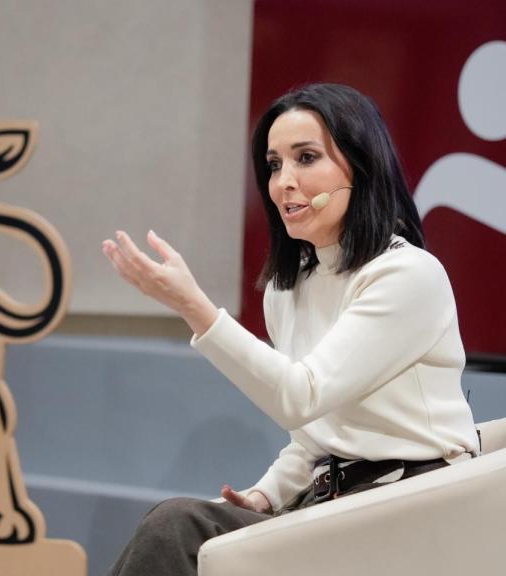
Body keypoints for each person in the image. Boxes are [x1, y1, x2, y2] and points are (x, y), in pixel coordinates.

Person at [101, 83, 479, 576]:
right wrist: (265, 495)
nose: (284, 181)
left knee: (176, 528)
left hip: (409, 508)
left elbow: (302, 395)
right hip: (334, 504)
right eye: (275, 164)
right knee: (179, 527)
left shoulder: (408, 276)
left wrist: (193, 306)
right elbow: (313, 437)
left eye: (306, 158)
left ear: (360, 168)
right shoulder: (286, 289)